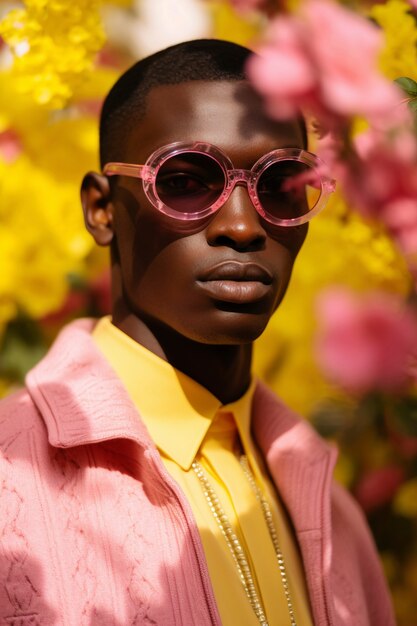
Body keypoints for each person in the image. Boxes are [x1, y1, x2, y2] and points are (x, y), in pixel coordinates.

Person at [0, 39, 394, 626]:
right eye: (186, 182)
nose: (241, 225)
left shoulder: (331, 505)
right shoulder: (11, 479)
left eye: (282, 188)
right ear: (102, 210)